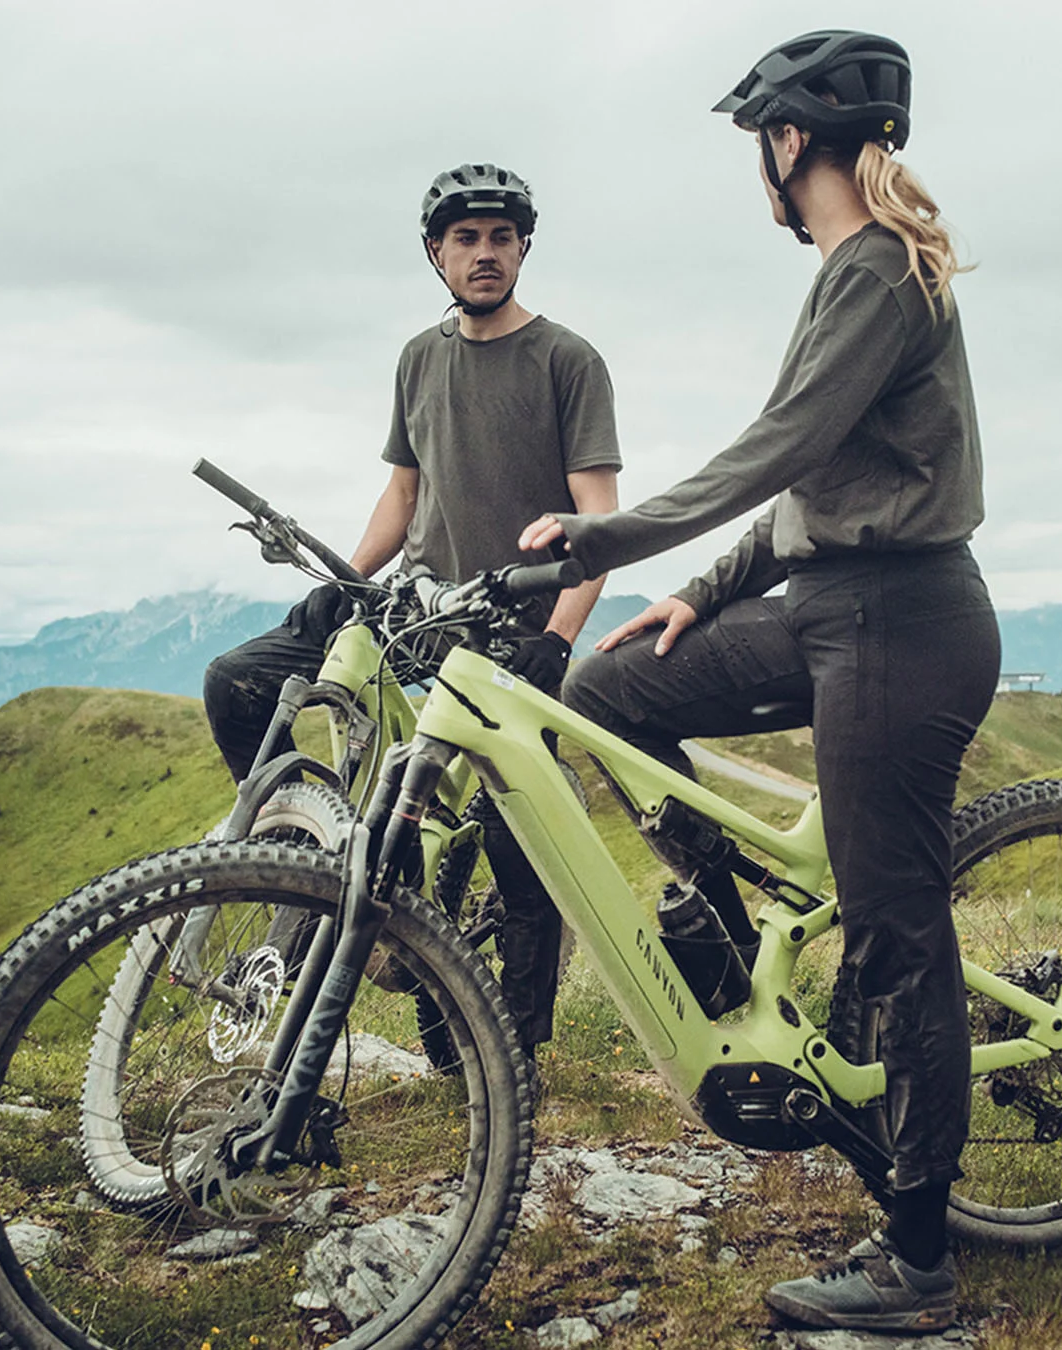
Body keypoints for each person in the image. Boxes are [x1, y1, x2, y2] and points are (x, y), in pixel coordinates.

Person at [519, 31, 995, 1335]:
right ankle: (731, 944)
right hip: (829, 609)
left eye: (760, 147)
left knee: (902, 940)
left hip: (905, 624)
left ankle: (919, 1262)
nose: (759, 172)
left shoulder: (883, 274)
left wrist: (607, 537)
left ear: (793, 142)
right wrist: (697, 596)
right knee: (610, 697)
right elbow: (805, 485)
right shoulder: (856, 272)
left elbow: (777, 445)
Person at [204, 162, 621, 1056]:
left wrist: (558, 638)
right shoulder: (418, 358)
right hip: (414, 616)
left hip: (514, 633)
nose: (485, 255)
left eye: (501, 239)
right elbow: (404, 494)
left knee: (520, 847)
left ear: (523, 251)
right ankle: (321, 842)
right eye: (465, 240)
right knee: (237, 684)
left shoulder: (568, 361)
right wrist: (347, 580)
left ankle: (515, 1048)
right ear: (436, 254)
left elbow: (600, 522)